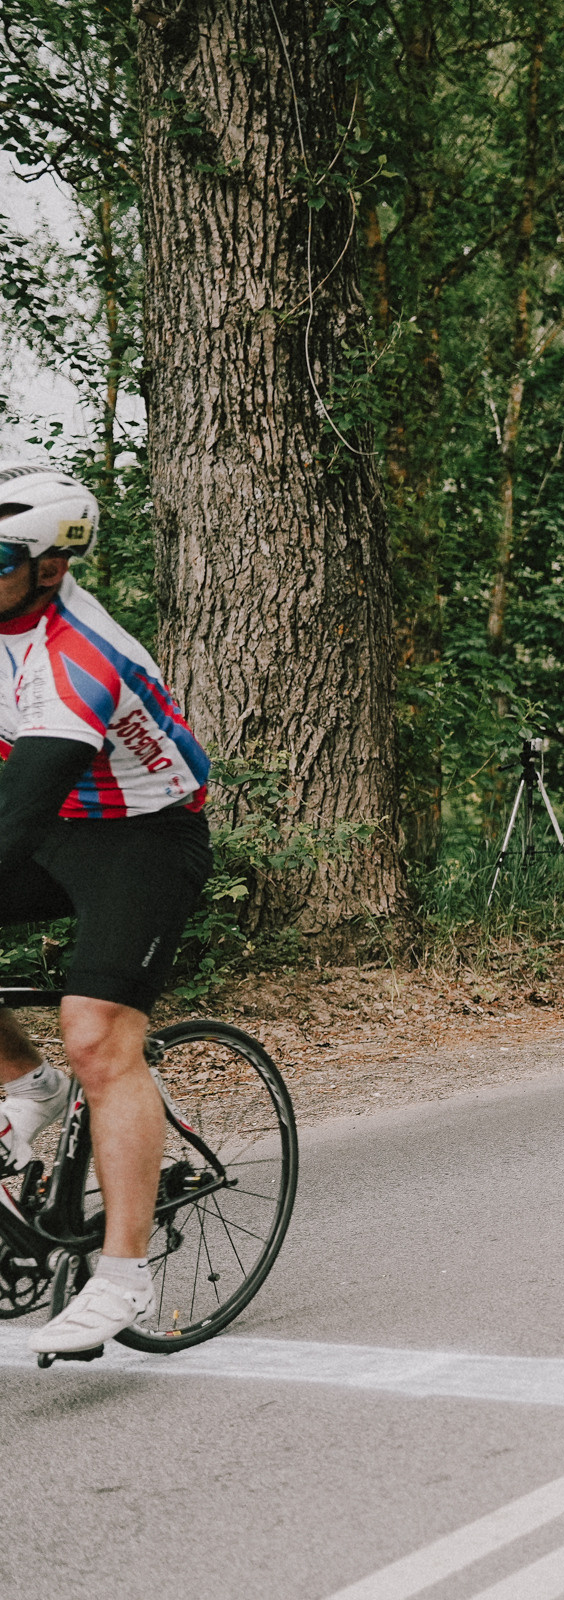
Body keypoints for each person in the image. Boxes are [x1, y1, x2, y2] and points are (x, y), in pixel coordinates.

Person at [0, 464, 213, 1357]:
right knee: (60, 1061)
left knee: (97, 1035)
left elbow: (16, 817)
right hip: (61, 827)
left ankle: (122, 1277)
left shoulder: (79, 656)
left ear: (52, 566)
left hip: (145, 839)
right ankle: (27, 1085)